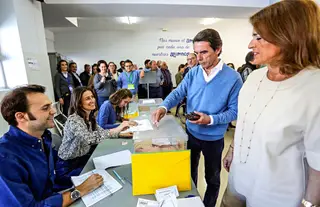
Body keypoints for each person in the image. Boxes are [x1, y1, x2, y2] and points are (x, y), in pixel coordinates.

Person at [221, 1, 320, 207]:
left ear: (288, 36)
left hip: (277, 196)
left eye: (259, 37)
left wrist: (309, 204)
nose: (250, 45)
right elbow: (246, 120)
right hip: (238, 183)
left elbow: (317, 162)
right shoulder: (254, 78)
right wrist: (233, 149)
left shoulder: (313, 87)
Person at [152, 28, 243, 207]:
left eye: (204, 52)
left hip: (214, 139)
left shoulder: (233, 78)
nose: (199, 58)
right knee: (189, 175)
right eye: (196, 53)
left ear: (218, 50)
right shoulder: (193, 73)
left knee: (213, 178)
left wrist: (210, 119)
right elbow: (178, 93)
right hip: (191, 134)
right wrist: (163, 106)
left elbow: (235, 112)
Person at [0, 84, 104, 206]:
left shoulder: (44, 137)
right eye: (45, 108)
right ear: (21, 116)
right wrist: (79, 191)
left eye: (51, 105)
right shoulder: (5, 157)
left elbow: (50, 183)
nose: (54, 111)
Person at [56, 87, 132, 188]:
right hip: (68, 167)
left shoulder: (90, 118)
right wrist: (117, 129)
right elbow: (89, 139)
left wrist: (120, 133)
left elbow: (101, 132)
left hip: (82, 159)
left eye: (92, 97)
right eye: (87, 98)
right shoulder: (74, 120)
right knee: (102, 179)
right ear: (79, 103)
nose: (92, 100)